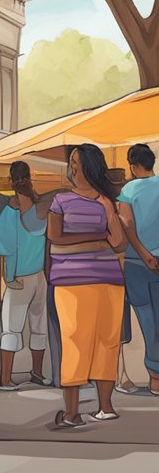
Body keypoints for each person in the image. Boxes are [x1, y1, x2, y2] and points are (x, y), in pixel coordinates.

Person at [36, 144, 127, 428]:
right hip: (86, 280)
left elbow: (118, 242)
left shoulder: (98, 202)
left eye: (76, 162)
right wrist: (97, 239)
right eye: (71, 162)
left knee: (99, 342)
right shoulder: (65, 200)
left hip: (93, 280)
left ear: (89, 165)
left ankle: (94, 409)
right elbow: (56, 238)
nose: (72, 168)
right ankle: (80, 411)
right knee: (84, 342)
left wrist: (94, 236)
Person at [0, 162, 49, 390]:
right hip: (41, 275)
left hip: (19, 276)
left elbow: (8, 246)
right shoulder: (39, 205)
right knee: (39, 326)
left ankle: (6, 379)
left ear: (11, 180)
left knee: (10, 327)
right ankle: (37, 373)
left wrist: (8, 276)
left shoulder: (10, 209)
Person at [118, 143, 159, 395]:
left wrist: (145, 256)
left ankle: (155, 377)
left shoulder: (128, 189)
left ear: (133, 165)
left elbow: (127, 226)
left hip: (137, 264)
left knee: (147, 320)